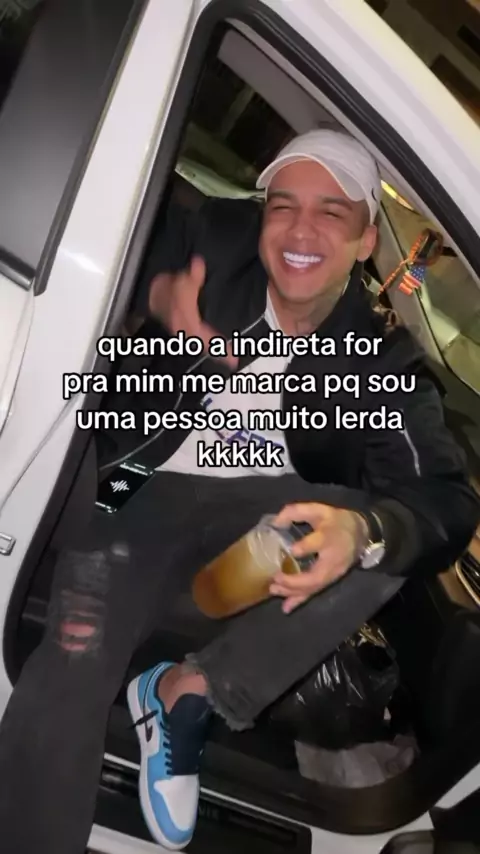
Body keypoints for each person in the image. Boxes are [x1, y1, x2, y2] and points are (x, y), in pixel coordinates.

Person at [0, 129, 478, 854]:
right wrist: (153, 294)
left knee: (372, 529)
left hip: (257, 538)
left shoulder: (381, 362)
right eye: (283, 206)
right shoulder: (218, 241)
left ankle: (190, 692)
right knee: (75, 653)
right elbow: (103, 236)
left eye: (332, 213)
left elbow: (444, 500)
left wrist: (366, 531)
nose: (300, 231)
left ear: (366, 240)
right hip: (135, 490)